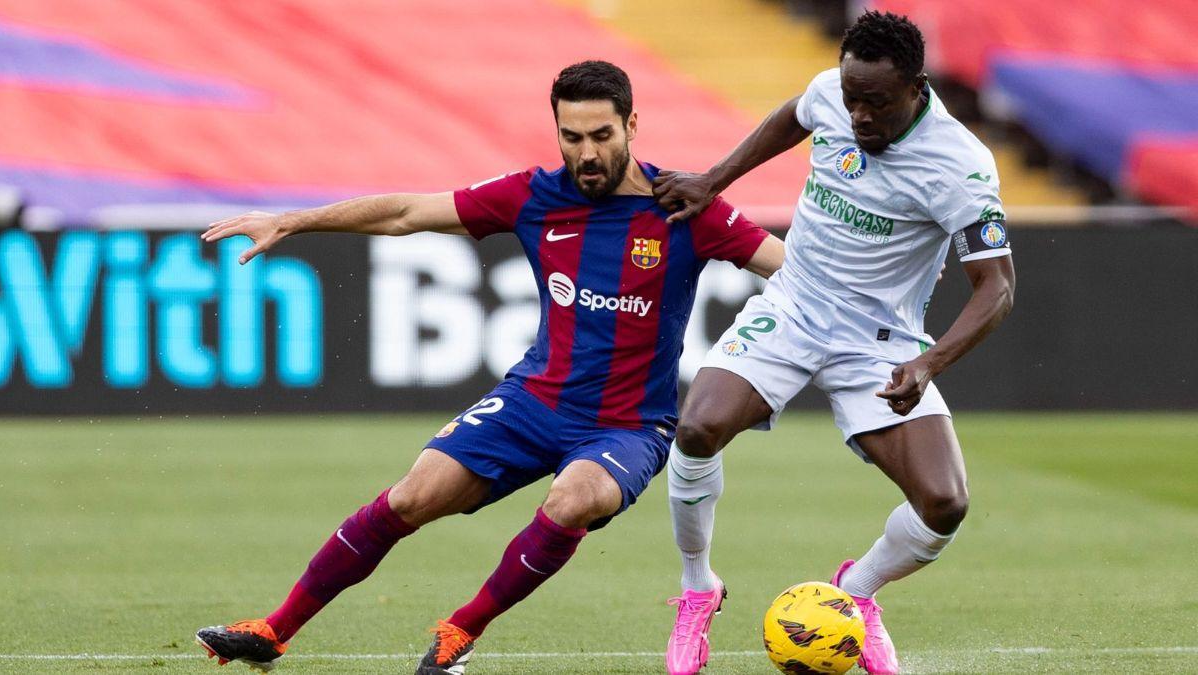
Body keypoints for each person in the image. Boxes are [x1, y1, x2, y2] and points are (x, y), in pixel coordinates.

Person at [193, 60, 784, 674]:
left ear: (632, 125)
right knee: (412, 496)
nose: (586, 154)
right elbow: (405, 214)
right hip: (534, 400)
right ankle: (274, 629)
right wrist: (292, 220)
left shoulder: (688, 209)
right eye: (571, 137)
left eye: (602, 136)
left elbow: (792, 269)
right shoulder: (535, 195)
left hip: (629, 426)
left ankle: (459, 632)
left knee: (573, 498)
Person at [652, 11, 1016, 675]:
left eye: (875, 104)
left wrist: (927, 362)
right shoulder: (835, 91)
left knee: (945, 503)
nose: (857, 117)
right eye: (851, 99)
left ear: (916, 88)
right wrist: (713, 179)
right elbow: (793, 115)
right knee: (698, 427)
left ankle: (857, 592)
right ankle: (697, 587)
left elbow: (996, 287)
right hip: (794, 305)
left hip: (881, 341)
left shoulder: (960, 166)